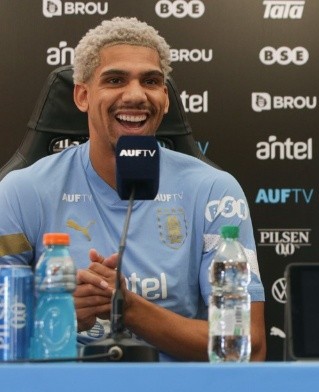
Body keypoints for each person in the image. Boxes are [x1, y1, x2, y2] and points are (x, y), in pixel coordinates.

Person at [0, 17, 266, 361]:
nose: (136, 95)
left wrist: (129, 308)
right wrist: (58, 316)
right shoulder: (23, 191)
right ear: (82, 95)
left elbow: (248, 345)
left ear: (165, 99)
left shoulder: (214, 191)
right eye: (115, 80)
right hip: (65, 390)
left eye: (151, 81)